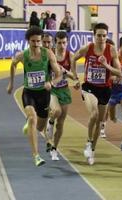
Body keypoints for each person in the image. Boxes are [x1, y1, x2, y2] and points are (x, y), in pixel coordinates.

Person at [6, 26, 61, 166]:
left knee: (40, 126)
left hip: (44, 94)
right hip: (29, 93)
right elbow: (12, 65)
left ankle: (31, 126)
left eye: (38, 41)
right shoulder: (22, 55)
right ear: (27, 41)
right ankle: (36, 155)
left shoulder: (48, 54)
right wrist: (11, 84)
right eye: (33, 41)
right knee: (32, 117)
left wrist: (51, 82)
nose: (36, 44)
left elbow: (59, 74)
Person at [71, 23, 121, 165]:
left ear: (107, 36)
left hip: (105, 89)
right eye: (98, 35)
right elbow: (74, 58)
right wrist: (75, 78)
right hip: (89, 87)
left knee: (100, 121)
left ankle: (92, 150)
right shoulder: (88, 48)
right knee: (94, 115)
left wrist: (106, 65)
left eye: (104, 35)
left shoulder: (111, 51)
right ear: (94, 35)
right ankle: (88, 141)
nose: (101, 38)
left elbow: (119, 72)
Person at [46, 31, 75, 160]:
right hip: (52, 89)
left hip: (64, 89)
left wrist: (65, 71)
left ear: (67, 42)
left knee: (61, 124)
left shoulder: (70, 56)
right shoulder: (49, 54)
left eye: (64, 43)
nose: (62, 45)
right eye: (59, 43)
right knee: (56, 111)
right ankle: (50, 121)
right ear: (55, 42)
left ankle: (54, 148)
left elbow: (74, 76)